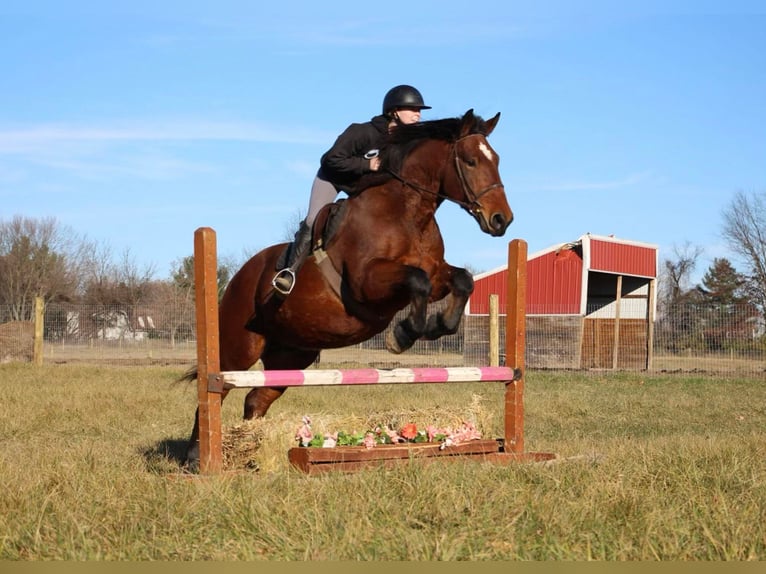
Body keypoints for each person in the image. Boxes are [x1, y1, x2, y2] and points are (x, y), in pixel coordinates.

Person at [272, 84, 431, 296]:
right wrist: (367, 165)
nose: (417, 114)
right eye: (412, 109)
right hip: (333, 177)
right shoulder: (363, 132)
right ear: (394, 111)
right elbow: (330, 159)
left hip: (361, 187)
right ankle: (288, 272)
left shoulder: (407, 143)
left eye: (419, 110)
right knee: (313, 220)